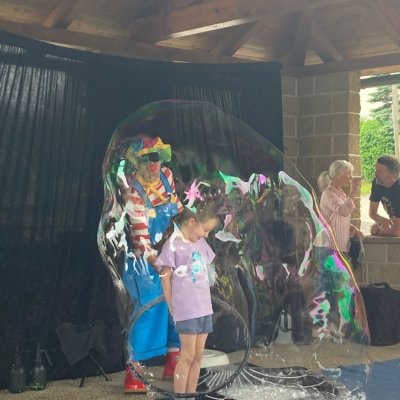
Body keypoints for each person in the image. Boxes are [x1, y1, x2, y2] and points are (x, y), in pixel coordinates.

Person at [121, 135, 183, 393]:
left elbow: (177, 212)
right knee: (149, 308)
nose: (152, 164)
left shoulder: (167, 177)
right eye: (145, 159)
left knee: (177, 304)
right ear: (137, 162)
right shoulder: (133, 192)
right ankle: (133, 369)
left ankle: (174, 359)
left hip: (170, 253)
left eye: (155, 157)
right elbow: (140, 237)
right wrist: (156, 261)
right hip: (142, 261)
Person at [155, 206, 219, 396]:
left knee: (198, 356)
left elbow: (209, 270)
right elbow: (165, 277)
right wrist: (170, 303)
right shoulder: (173, 244)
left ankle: (190, 395)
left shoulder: (201, 243)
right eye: (205, 229)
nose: (206, 235)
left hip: (204, 307)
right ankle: (180, 396)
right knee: (187, 355)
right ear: (192, 222)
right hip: (187, 309)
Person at [317, 160, 363, 254]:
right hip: (328, 247)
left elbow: (338, 218)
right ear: (337, 175)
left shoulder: (340, 194)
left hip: (338, 246)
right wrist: (353, 190)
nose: (351, 177)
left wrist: (352, 228)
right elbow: (343, 211)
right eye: (348, 173)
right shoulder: (328, 194)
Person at [369, 155, 400, 237]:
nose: (375, 173)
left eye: (379, 172)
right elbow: (372, 212)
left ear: (392, 175)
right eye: (376, 170)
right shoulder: (377, 183)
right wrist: (381, 220)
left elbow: (397, 232)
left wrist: (380, 231)